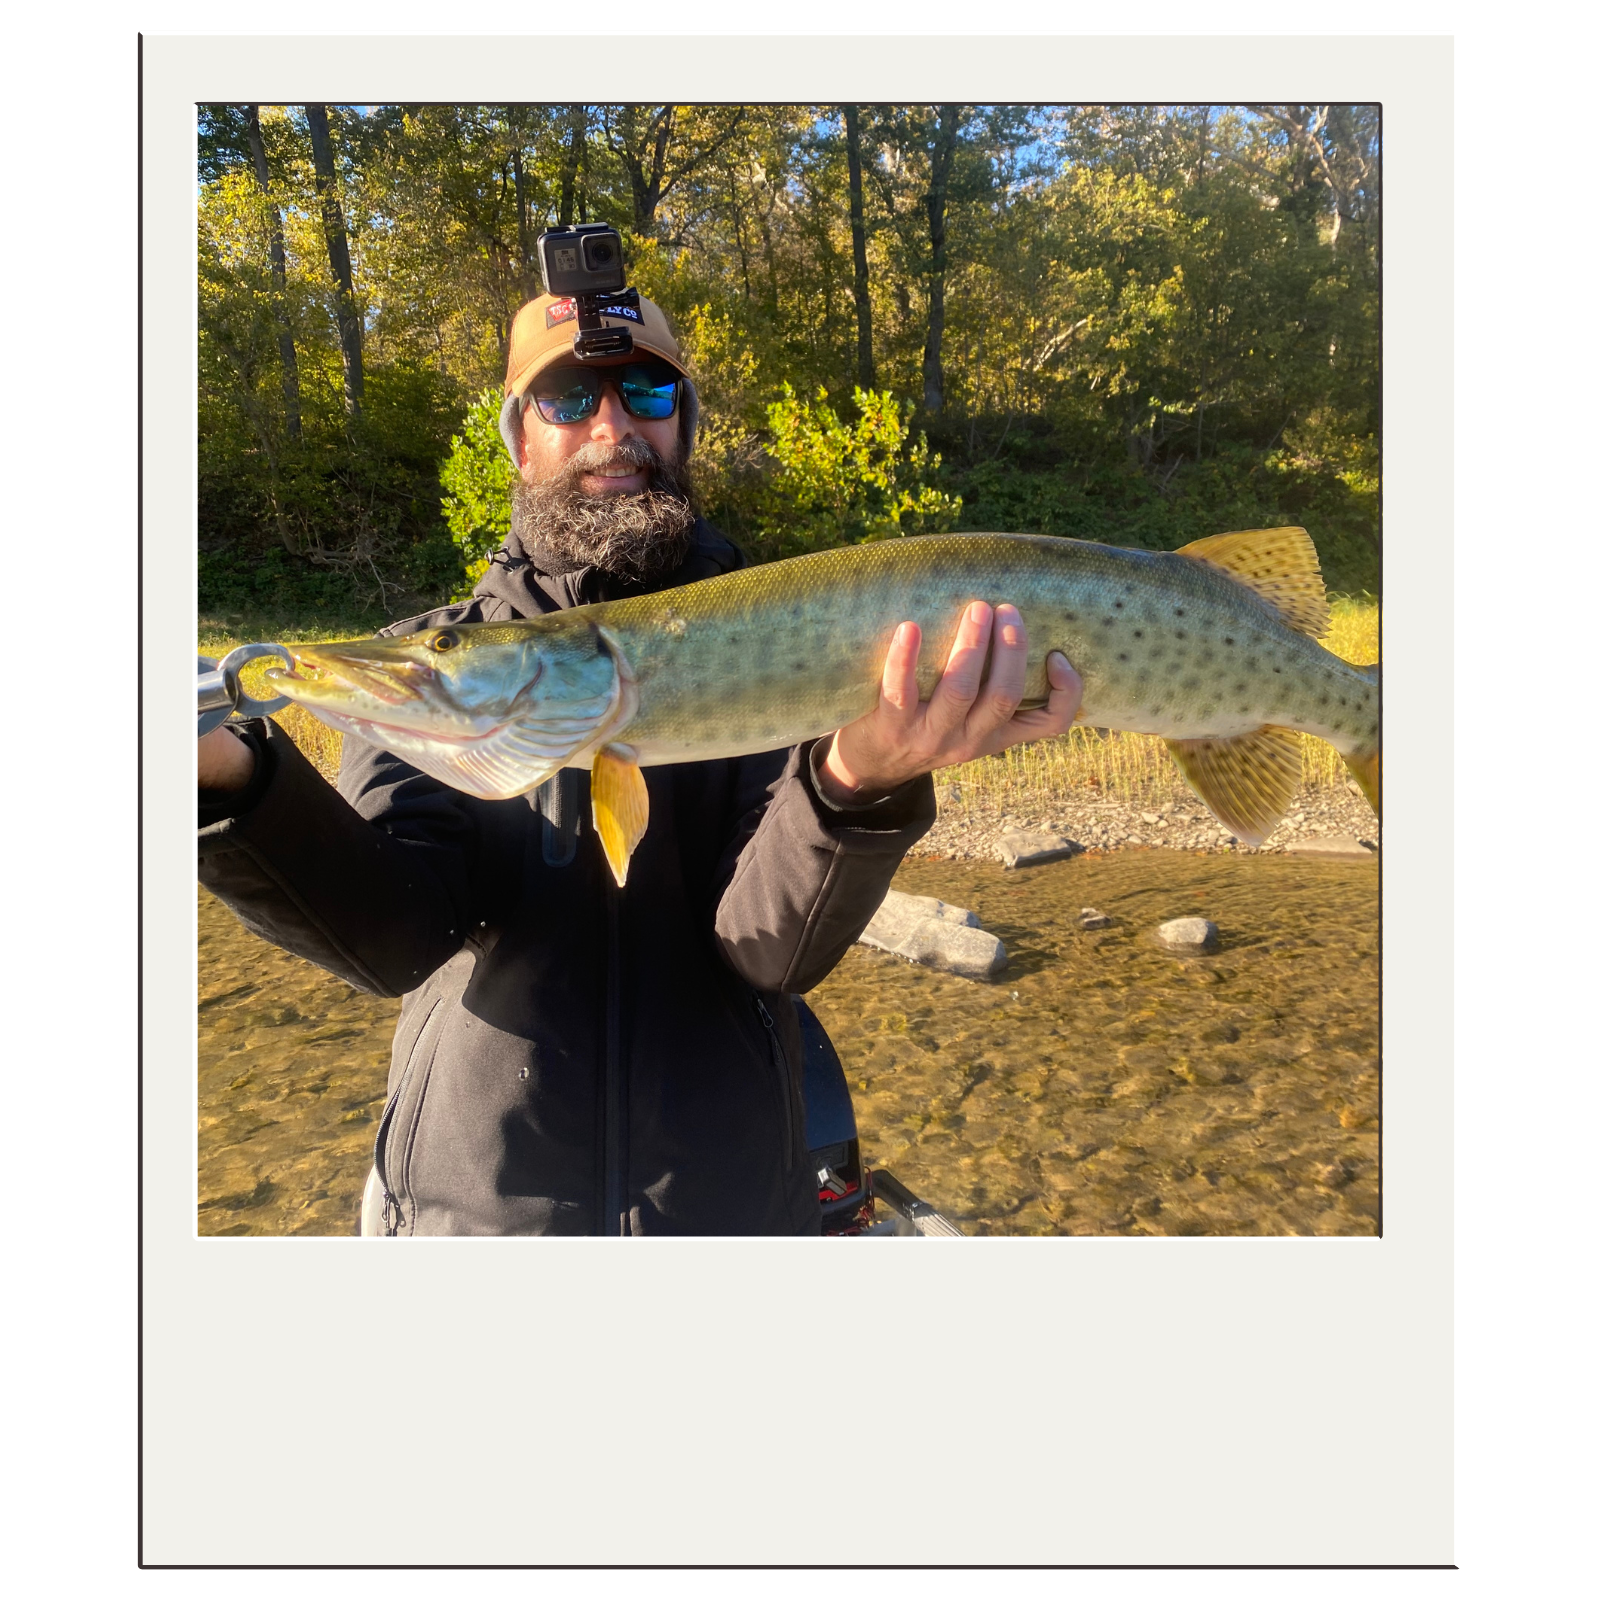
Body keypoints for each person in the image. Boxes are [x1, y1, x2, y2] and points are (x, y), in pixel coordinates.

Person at [197, 291, 1083, 1236]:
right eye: (569, 398)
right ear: (520, 442)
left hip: (727, 1214)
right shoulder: (429, 662)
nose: (613, 426)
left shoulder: (791, 655)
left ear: (683, 425)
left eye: (648, 392)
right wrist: (224, 777)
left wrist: (856, 781)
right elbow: (393, 939)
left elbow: (770, 949)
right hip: (481, 1219)